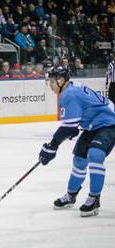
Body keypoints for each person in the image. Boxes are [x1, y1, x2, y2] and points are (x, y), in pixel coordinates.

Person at [39, 65, 115, 217]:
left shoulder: (69, 94)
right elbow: (73, 125)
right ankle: (71, 194)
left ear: (61, 80)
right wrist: (62, 137)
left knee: (95, 154)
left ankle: (94, 198)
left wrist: (52, 146)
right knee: (79, 160)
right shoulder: (70, 90)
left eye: (52, 82)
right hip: (93, 125)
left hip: (109, 123)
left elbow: (68, 128)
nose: (50, 86)